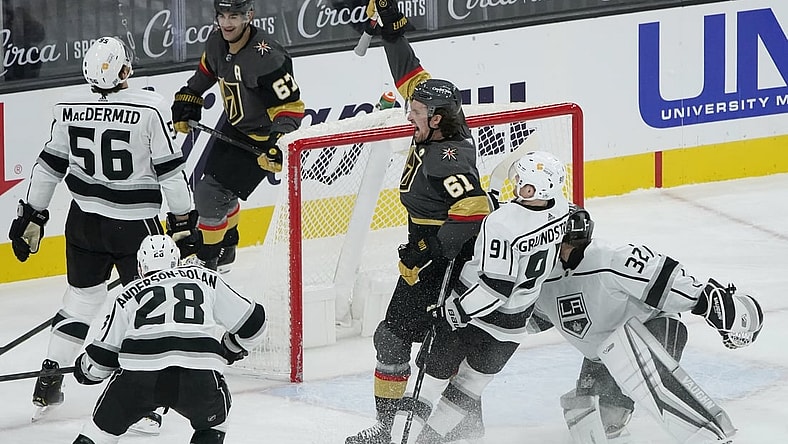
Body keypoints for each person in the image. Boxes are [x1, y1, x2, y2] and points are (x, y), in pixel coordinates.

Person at [7, 36, 197, 427]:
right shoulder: (149, 107)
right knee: (146, 308)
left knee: (80, 301)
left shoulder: (67, 109)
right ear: (125, 70)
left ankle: (49, 380)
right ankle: (139, 403)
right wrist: (183, 223)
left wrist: (32, 216)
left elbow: (47, 169)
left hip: (83, 223)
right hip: (136, 228)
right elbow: (171, 174)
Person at [345, 2, 493, 443]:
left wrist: (429, 251)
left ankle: (405, 430)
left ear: (437, 119)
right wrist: (392, 29)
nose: (408, 117)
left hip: (445, 258)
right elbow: (409, 71)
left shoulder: (449, 157)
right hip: (426, 249)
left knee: (418, 345)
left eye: (415, 114)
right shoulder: (433, 119)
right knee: (413, 343)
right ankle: (434, 425)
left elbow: (473, 210)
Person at [526, 206, 764, 443]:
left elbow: (662, 277)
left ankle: (711, 434)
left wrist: (707, 301)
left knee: (648, 376)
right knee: (593, 418)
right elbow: (525, 322)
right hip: (603, 355)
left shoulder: (610, 258)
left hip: (653, 327)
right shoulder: (542, 279)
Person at [402, 150, 571, 443]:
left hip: (471, 314)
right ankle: (428, 441)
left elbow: (495, 288)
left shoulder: (503, 222)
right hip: (513, 327)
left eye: (523, 183)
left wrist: (453, 312)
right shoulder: (562, 210)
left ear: (536, 188)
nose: (517, 182)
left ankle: (398, 439)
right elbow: (530, 223)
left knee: (427, 382)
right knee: (468, 387)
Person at [70, 234, 267, 444]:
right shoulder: (204, 278)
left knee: (101, 431)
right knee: (214, 423)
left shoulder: (128, 294)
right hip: (198, 375)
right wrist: (231, 347)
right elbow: (255, 323)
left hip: (139, 377)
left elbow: (100, 362)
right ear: (177, 261)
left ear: (140, 266)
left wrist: (84, 369)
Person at [170, 0, 305, 271]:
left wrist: (278, 141)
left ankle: (207, 260)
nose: (227, 23)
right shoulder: (217, 43)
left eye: (235, 16)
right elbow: (204, 75)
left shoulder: (267, 56)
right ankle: (227, 247)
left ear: (249, 16)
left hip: (261, 139)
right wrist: (189, 97)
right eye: (222, 16)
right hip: (234, 128)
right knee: (221, 193)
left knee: (209, 193)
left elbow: (291, 107)